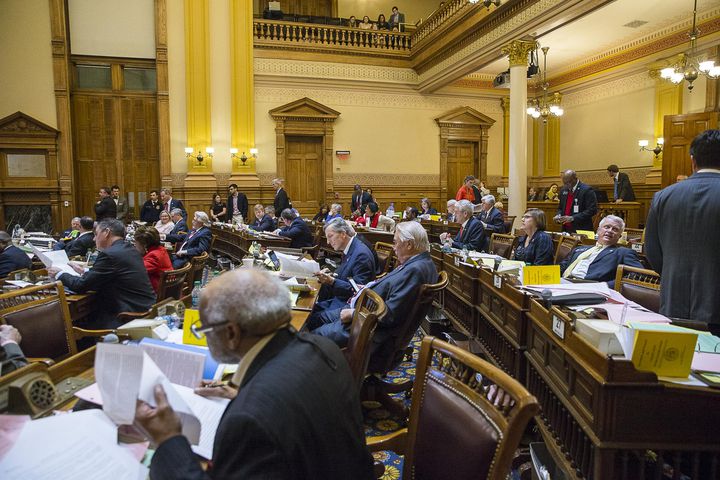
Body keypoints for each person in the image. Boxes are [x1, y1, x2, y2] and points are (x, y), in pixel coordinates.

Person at [134, 269, 374, 479]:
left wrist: (168, 439)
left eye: (203, 328)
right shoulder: (324, 348)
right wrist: (244, 390)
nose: (203, 335)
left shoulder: (249, 420)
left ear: (231, 334)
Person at [310, 221, 437, 349]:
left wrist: (354, 314)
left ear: (409, 244)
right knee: (312, 318)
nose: (394, 247)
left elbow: (391, 315)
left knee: (312, 337)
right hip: (362, 311)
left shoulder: (416, 270)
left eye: (395, 242)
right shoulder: (419, 263)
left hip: (366, 328)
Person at [645, 129, 720, 330]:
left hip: (673, 301)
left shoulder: (662, 196)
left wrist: (674, 274)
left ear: (693, 160)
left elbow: (651, 252)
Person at [48, 218, 156, 329]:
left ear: (106, 233)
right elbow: (113, 273)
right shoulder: (130, 249)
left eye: (96, 234)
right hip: (145, 310)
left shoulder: (109, 254)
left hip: (126, 317)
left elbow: (81, 285)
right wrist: (84, 271)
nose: (94, 239)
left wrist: (60, 273)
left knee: (71, 326)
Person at [560, 215, 643, 287]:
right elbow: (561, 267)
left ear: (620, 236)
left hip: (588, 288)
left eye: (615, 229)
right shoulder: (579, 249)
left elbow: (639, 274)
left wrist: (605, 286)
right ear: (598, 230)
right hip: (562, 283)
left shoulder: (623, 252)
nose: (610, 231)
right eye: (607, 227)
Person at [312, 218, 376, 305]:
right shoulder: (350, 248)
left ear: (343, 234)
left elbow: (358, 291)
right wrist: (330, 275)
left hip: (347, 307)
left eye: (330, 236)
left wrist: (332, 281)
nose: (328, 242)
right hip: (339, 299)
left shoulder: (361, 255)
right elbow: (347, 275)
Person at [133, 226, 173, 293]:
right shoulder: (161, 249)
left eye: (136, 243)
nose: (135, 245)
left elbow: (135, 271)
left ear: (144, 245)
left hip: (155, 294)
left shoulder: (153, 256)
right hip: (164, 289)